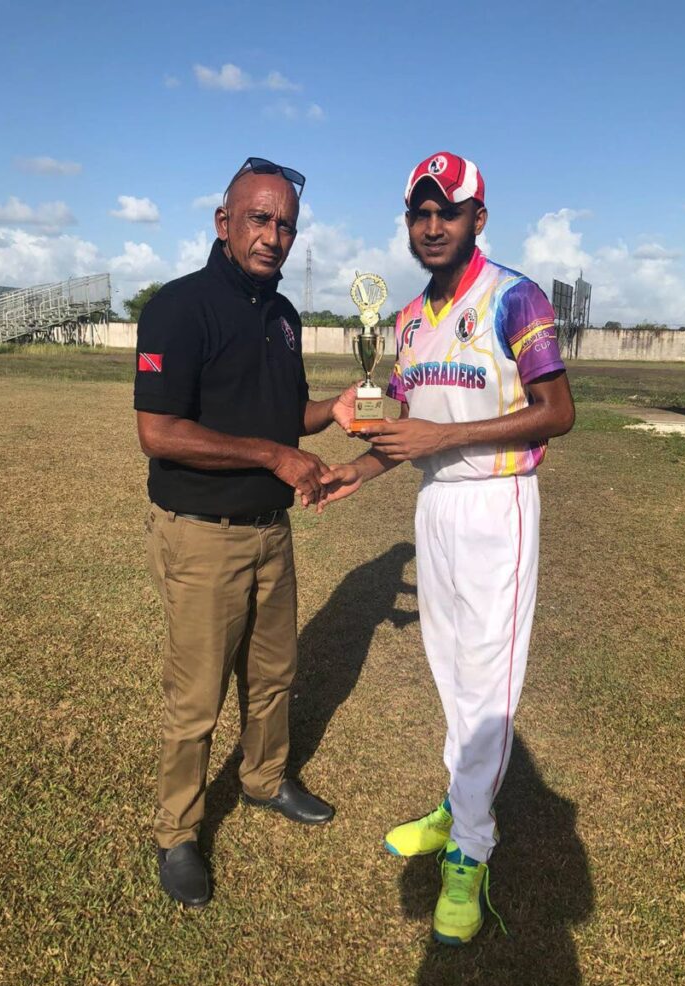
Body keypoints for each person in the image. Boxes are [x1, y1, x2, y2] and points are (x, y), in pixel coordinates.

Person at [319, 152, 575, 945]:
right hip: (436, 505)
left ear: (477, 220)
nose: (432, 225)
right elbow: (404, 427)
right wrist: (358, 471)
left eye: (448, 211)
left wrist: (445, 435)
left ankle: (471, 848)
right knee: (449, 671)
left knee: (487, 679)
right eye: (420, 213)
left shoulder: (513, 295)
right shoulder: (404, 322)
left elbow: (558, 410)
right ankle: (460, 802)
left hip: (499, 503)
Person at [133, 157, 358, 909]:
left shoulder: (285, 317)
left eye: (286, 223)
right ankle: (178, 833)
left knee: (274, 677)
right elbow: (159, 432)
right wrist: (273, 456)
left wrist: (336, 410)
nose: (274, 235)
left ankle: (264, 780)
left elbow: (282, 414)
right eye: (259, 218)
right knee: (195, 697)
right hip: (202, 534)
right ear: (224, 222)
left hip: (271, 532)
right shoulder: (178, 309)